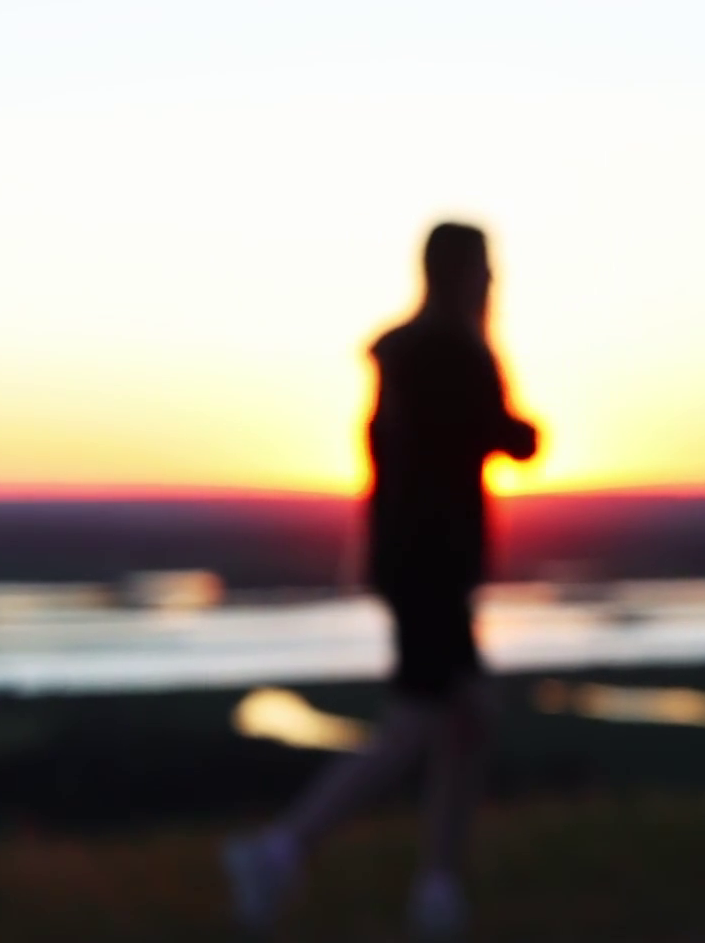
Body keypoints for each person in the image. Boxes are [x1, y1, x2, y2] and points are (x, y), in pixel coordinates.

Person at [223, 221, 539, 938]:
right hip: (435, 568)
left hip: (409, 565)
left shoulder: (402, 360)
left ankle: (436, 887)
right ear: (464, 274)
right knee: (421, 721)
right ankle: (280, 852)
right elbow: (510, 438)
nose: (495, 280)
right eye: (486, 268)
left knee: (464, 719)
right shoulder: (457, 354)